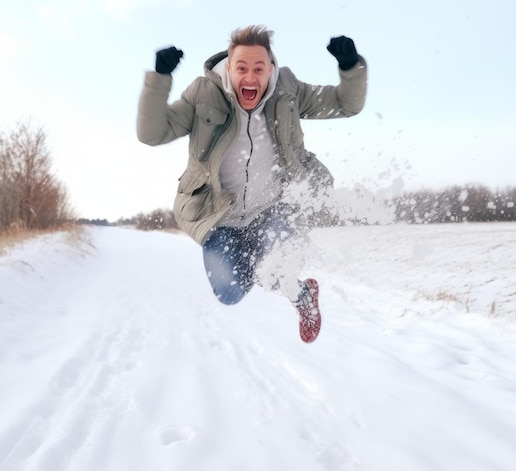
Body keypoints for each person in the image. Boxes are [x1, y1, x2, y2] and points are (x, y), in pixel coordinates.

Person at [137, 25, 367, 343]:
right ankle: (255, 257)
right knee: (230, 292)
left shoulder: (289, 91)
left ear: (270, 69)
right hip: (220, 218)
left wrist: (349, 66)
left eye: (259, 69)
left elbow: (346, 105)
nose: (250, 77)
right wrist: (161, 79)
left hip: (270, 208)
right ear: (229, 69)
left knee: (275, 270)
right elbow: (152, 133)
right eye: (242, 68)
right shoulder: (202, 93)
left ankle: (303, 297)